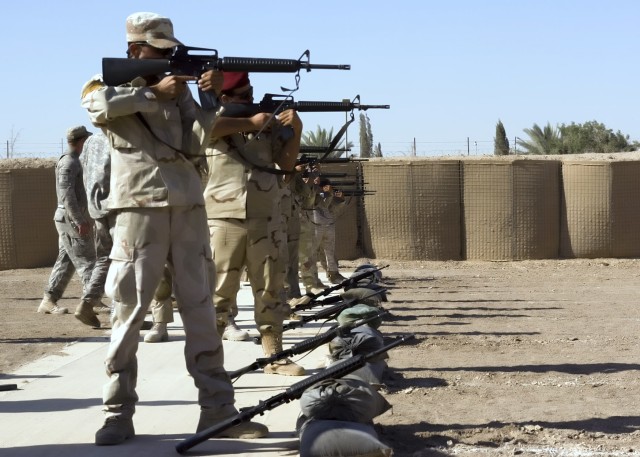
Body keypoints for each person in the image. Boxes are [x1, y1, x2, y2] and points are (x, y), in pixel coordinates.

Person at [81, 12, 267, 445]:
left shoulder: (178, 93)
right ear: (134, 51)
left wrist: (208, 100)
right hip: (138, 210)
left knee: (201, 311)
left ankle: (219, 411)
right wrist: (150, 93)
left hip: (186, 208)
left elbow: (198, 140)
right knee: (128, 315)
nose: (168, 58)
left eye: (171, 51)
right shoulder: (105, 83)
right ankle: (116, 414)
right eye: (159, 51)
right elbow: (98, 108)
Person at [204, 71, 305, 376]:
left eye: (251, 94)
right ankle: (208, 363)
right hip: (223, 220)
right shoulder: (208, 120)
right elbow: (202, 129)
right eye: (243, 97)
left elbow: (286, 166)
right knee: (218, 293)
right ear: (225, 99)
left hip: (266, 218)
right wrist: (250, 123)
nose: (250, 100)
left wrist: (295, 131)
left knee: (270, 289)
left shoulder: (267, 124)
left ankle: (274, 355)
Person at [38, 125, 100, 328]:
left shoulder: (74, 161)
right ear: (81, 141)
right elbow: (66, 195)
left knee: (66, 261)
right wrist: (79, 220)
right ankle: (92, 302)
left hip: (70, 219)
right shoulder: (69, 163)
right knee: (88, 260)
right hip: (70, 219)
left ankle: (48, 301)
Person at [79, 131, 113, 319]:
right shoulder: (120, 134)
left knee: (104, 259)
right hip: (116, 206)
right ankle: (121, 314)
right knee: (125, 261)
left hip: (96, 208)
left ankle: (87, 302)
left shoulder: (91, 141)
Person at [312, 177, 347, 284]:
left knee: (330, 252)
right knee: (311, 253)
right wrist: (327, 194)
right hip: (315, 225)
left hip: (328, 225)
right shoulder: (313, 193)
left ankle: (333, 274)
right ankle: (311, 278)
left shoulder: (329, 195)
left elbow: (334, 209)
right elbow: (318, 203)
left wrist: (341, 199)